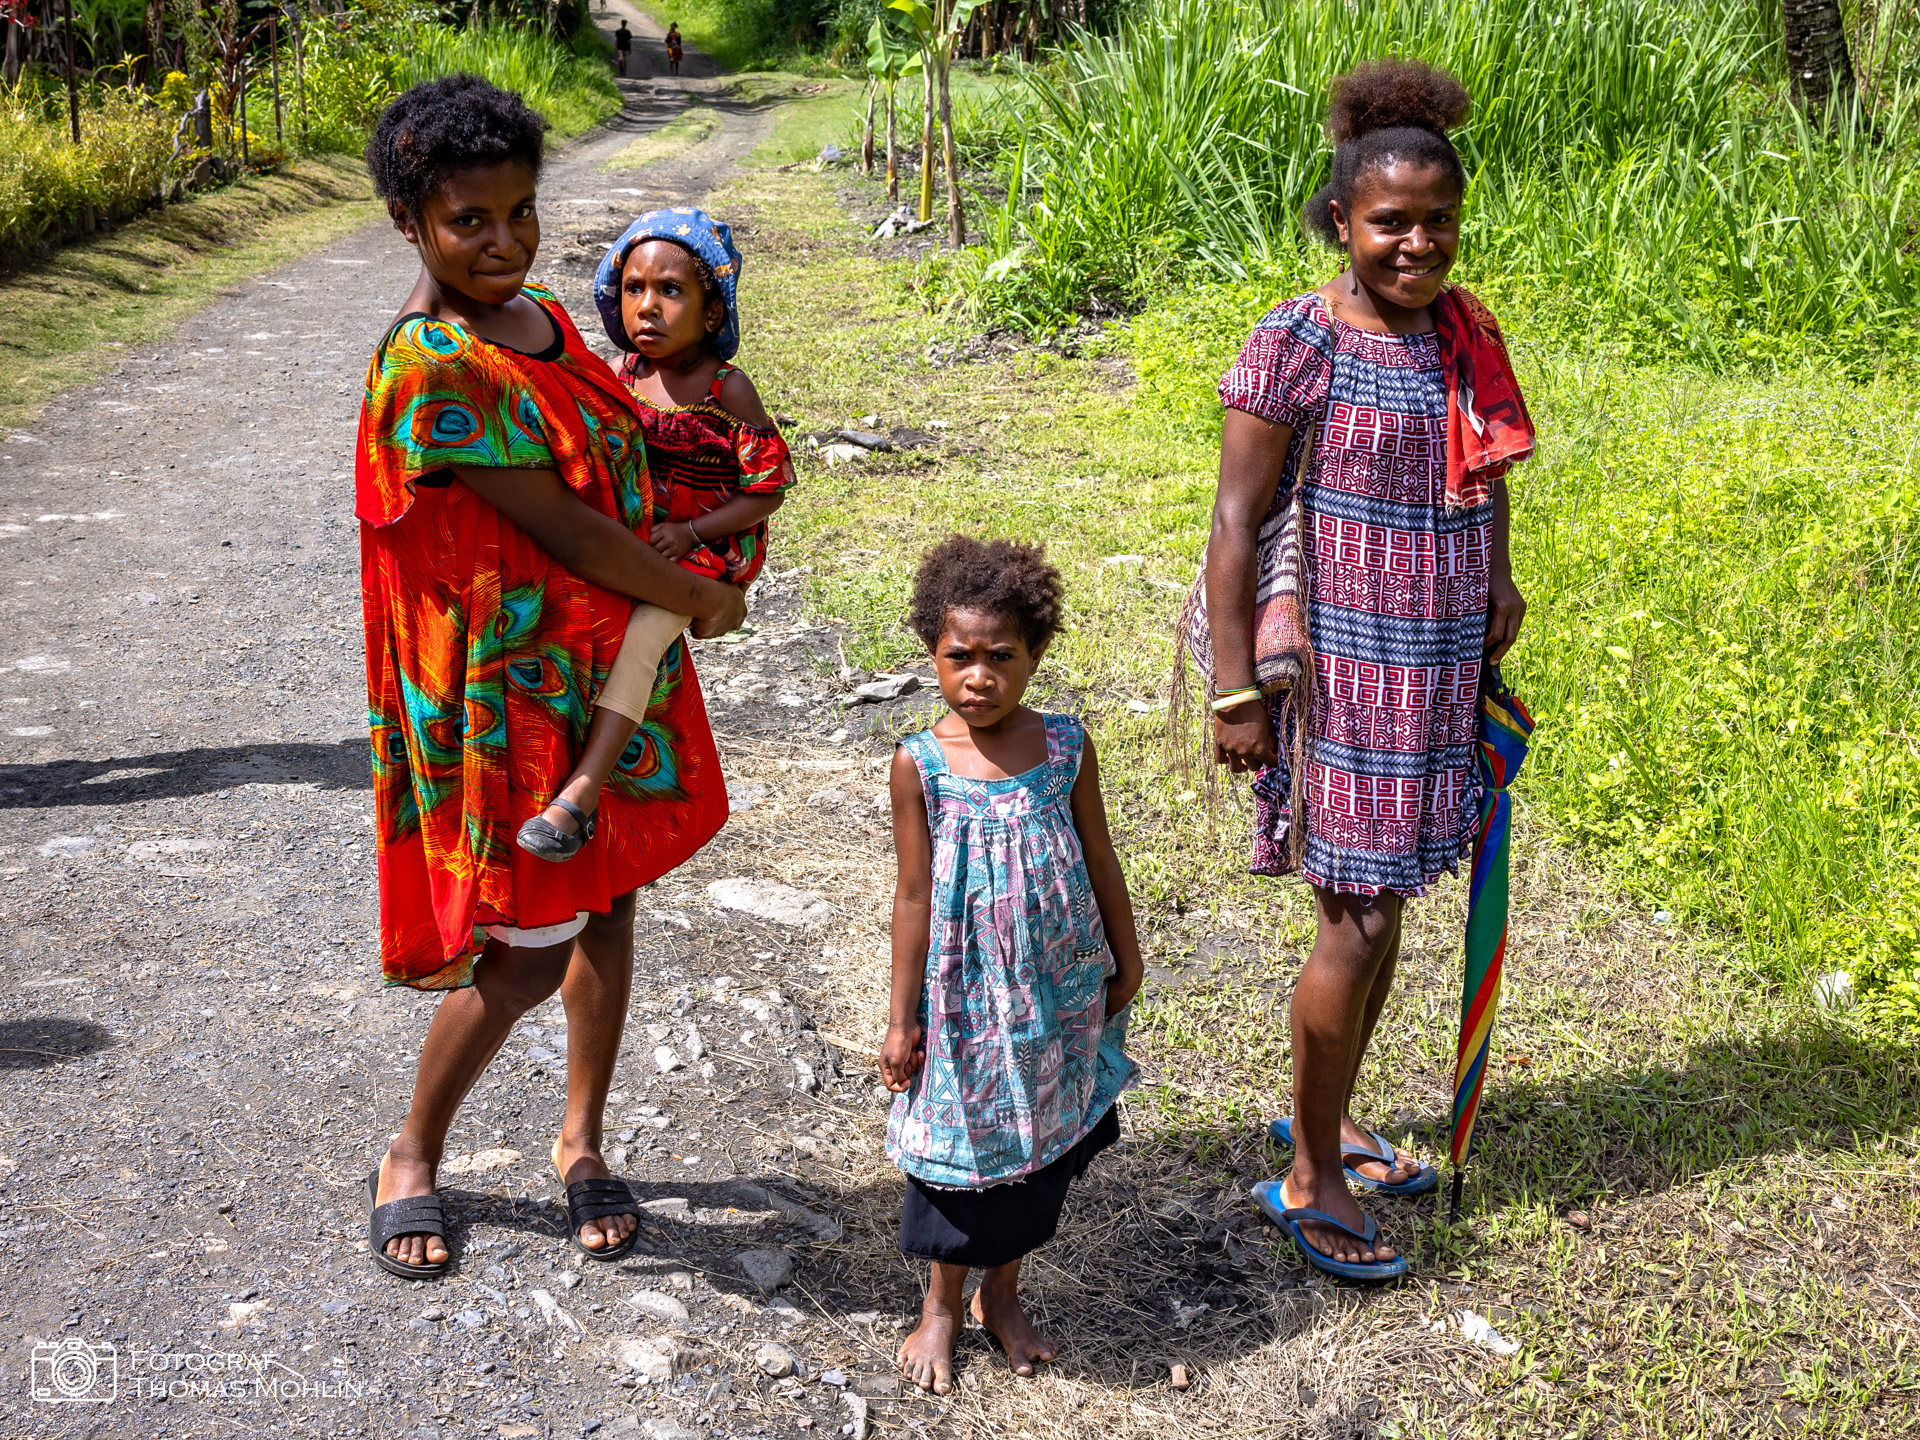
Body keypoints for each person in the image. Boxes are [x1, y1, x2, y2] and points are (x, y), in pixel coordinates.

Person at [354, 76, 746, 1280]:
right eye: (466, 221)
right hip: (510, 694)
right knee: (525, 949)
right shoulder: (435, 365)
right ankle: (413, 1151)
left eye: (520, 211)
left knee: (610, 903)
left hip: (596, 668)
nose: (503, 242)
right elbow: (566, 530)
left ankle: (581, 1139)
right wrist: (699, 598)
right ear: (410, 224)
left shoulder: (543, 323)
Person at [1207, 59, 1534, 1282]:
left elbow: (1484, 467)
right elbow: (1236, 521)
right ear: (1341, 218)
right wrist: (1236, 686)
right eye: (1391, 221)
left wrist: (1498, 579)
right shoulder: (1299, 340)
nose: (1418, 244)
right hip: (1343, 671)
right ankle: (1311, 1175)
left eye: (1439, 221)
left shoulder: (1461, 332)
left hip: (1435, 661)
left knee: (1384, 905)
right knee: (1358, 917)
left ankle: (1330, 1123)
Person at [881, 536, 1143, 1394]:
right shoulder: (919, 766)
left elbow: (1099, 856)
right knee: (964, 1150)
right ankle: (941, 1306)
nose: (979, 677)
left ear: (1036, 656)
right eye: (959, 657)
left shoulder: (1065, 746)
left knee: (1038, 1145)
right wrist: (902, 1018)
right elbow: (912, 897)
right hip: (962, 999)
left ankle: (1002, 1294)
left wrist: (1127, 955)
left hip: (1057, 989)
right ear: (932, 653)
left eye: (1002, 657)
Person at [517, 208, 792, 862]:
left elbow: (768, 488)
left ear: (712, 311)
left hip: (708, 548)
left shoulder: (726, 389)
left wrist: (692, 530)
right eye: (633, 288)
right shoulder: (623, 373)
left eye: (671, 290)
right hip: (637, 533)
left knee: (642, 635)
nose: (648, 306)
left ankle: (581, 792)